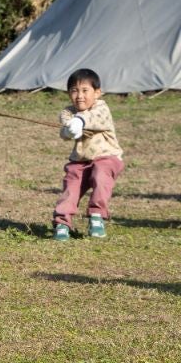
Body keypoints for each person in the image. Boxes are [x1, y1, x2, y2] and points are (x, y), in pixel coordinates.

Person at [52, 68, 124, 241]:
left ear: (97, 92)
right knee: (71, 188)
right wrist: (68, 130)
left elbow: (95, 117)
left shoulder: (101, 107)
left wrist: (80, 121)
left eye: (85, 90)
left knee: (100, 176)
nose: (79, 96)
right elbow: (65, 124)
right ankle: (62, 222)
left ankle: (96, 216)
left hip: (107, 157)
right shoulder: (69, 112)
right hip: (80, 161)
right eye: (74, 91)